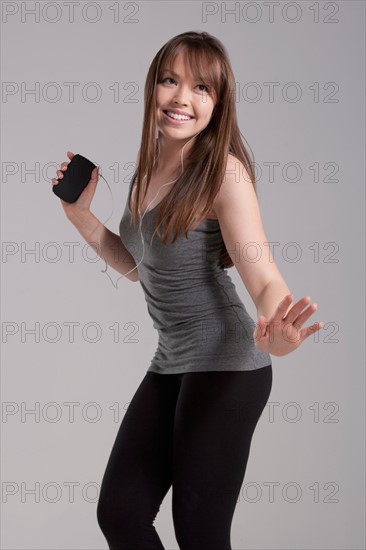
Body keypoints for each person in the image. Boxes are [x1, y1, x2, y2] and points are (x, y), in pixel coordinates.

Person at [51, 31, 324, 550]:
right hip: (172, 359)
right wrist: (80, 216)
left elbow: (262, 275)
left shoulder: (222, 173)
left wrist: (279, 328)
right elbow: (140, 268)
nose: (182, 98)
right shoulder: (147, 172)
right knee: (121, 513)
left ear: (218, 105)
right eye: (169, 80)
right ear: (152, 88)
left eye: (202, 88)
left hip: (228, 363)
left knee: (199, 533)